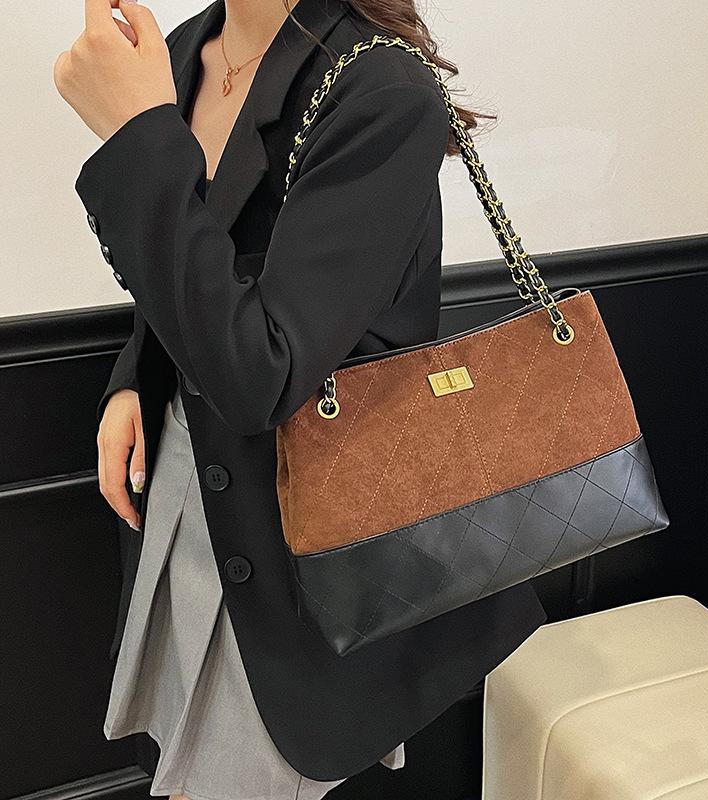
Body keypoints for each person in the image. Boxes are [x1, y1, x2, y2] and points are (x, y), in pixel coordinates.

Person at [54, 0, 550, 796]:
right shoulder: (182, 51)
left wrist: (136, 135)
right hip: (183, 487)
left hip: (293, 539)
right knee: (180, 772)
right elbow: (191, 260)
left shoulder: (380, 88)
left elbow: (265, 374)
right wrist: (133, 379)